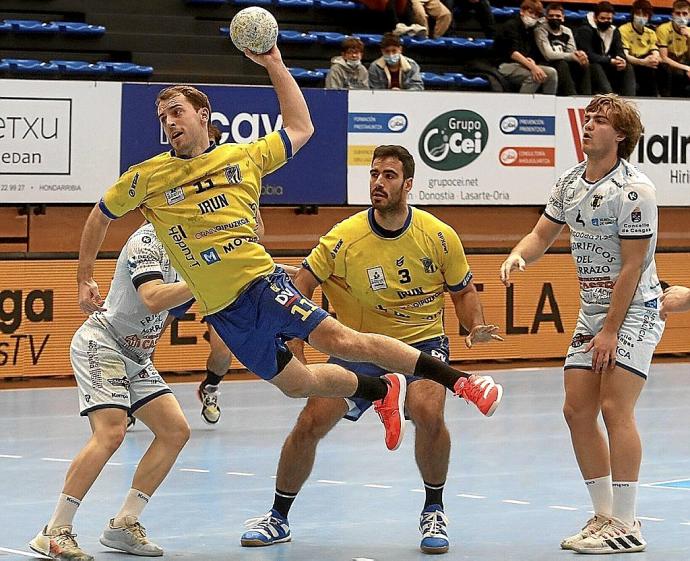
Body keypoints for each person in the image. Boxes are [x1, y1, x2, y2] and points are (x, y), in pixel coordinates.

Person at [78, 44, 501, 461]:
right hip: (223, 310)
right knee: (297, 384)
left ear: (203, 116)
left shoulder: (241, 157)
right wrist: (84, 277)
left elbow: (301, 127)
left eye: (177, 112)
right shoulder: (148, 176)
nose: (170, 122)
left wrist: (274, 63)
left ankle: (463, 382)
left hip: (260, 284)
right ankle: (380, 390)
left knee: (342, 340)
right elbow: (100, 216)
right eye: (163, 117)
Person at [240, 145, 502, 554]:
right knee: (310, 421)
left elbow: (463, 289)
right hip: (357, 346)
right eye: (375, 174)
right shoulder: (344, 236)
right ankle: (278, 517)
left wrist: (473, 326)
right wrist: (298, 338)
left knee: (429, 411)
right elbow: (303, 282)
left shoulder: (438, 235)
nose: (379, 182)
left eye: (390, 175)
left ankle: (434, 509)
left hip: (421, 343)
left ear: (408, 184)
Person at [501, 94, 663, 554]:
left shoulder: (635, 190)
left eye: (600, 121)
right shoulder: (570, 182)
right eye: (587, 118)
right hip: (592, 310)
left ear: (622, 136)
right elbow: (541, 235)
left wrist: (611, 331)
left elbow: (633, 267)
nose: (588, 125)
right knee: (576, 410)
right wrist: (518, 256)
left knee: (615, 408)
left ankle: (628, 524)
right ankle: (604, 515)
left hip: (634, 310)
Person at [30, 223, 196, 560]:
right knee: (111, 432)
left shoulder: (197, 244)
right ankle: (54, 531)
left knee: (175, 431)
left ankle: (124, 524)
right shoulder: (147, 241)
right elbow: (152, 298)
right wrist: (209, 280)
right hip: (103, 343)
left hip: (137, 355)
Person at [494, 0, 558, 94]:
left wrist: (532, 62)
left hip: (522, 64)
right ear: (522, 12)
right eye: (531, 13)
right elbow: (513, 53)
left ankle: (548, 105)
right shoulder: (511, 25)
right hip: (504, 64)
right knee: (534, 76)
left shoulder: (531, 29)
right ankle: (522, 106)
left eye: (536, 15)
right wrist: (533, 67)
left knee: (552, 73)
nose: (533, 17)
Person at [575, 2, 635, 96]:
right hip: (591, 66)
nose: (606, 21)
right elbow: (588, 54)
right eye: (602, 18)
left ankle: (630, 101)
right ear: (595, 18)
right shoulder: (585, 30)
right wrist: (609, 60)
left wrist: (621, 59)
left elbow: (619, 49)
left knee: (628, 67)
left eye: (609, 19)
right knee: (595, 66)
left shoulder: (614, 31)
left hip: (608, 64)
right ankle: (609, 97)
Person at [534, 3, 591, 95]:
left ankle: (586, 97)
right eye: (551, 16)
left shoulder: (567, 31)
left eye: (558, 16)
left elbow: (572, 50)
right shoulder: (541, 30)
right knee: (562, 64)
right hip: (545, 62)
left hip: (564, 60)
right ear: (546, 17)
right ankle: (571, 95)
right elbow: (549, 55)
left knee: (584, 63)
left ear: (563, 17)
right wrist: (571, 56)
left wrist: (580, 56)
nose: (555, 18)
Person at [618, 0, 660, 97]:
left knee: (660, 68)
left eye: (644, 15)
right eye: (638, 14)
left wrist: (654, 59)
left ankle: (660, 98)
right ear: (633, 14)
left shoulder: (651, 32)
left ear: (649, 17)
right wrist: (643, 62)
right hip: (632, 62)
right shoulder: (623, 30)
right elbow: (625, 55)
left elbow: (655, 51)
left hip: (646, 63)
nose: (641, 18)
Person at [656, 0, 690, 97]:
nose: (681, 17)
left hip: (684, 60)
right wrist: (686, 68)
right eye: (678, 13)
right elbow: (663, 57)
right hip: (669, 62)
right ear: (672, 14)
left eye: (684, 14)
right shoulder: (663, 29)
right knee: (675, 74)